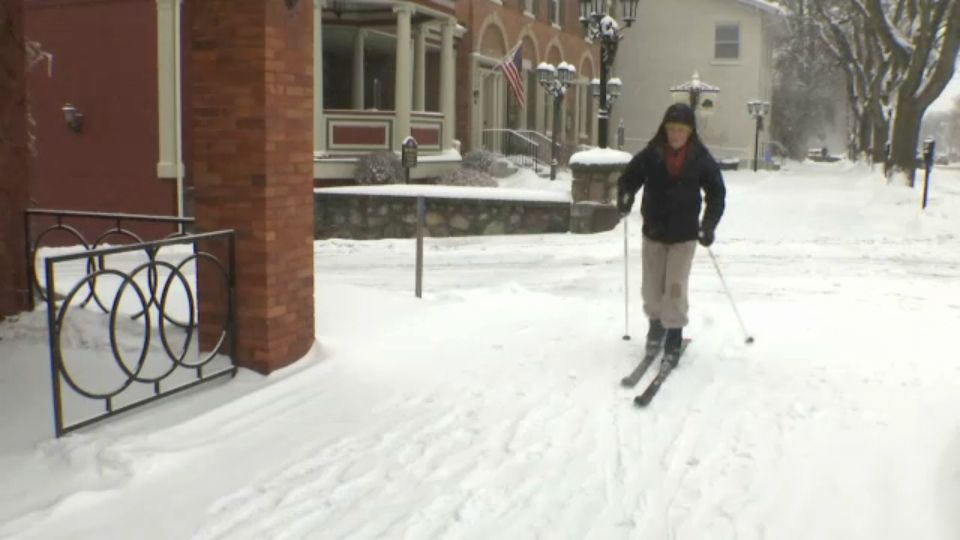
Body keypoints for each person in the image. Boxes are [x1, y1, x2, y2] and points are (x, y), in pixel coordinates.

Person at [616, 102, 726, 367]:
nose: (675, 134)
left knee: (675, 289)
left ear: (690, 132)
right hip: (653, 232)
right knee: (652, 289)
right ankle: (656, 327)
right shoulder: (652, 154)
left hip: (684, 235)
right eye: (671, 129)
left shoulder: (700, 158)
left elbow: (716, 194)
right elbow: (628, 179)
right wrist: (626, 196)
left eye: (681, 130)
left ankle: (674, 335)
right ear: (664, 130)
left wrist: (708, 225)